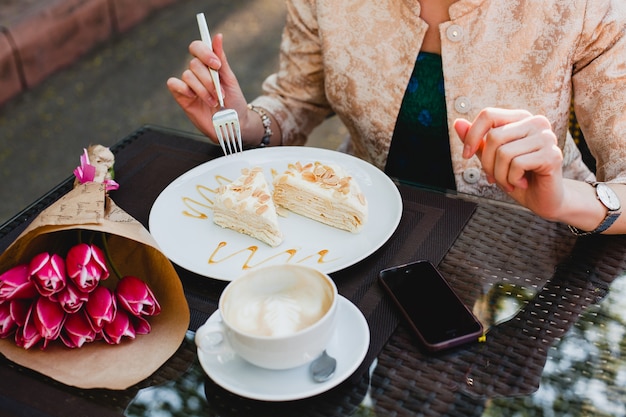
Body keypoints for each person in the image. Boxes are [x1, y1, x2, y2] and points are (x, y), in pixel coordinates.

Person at [167, 0, 626, 235]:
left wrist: (563, 199)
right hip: (356, 236)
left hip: (530, 267)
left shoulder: (586, 9)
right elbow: (296, 100)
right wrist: (244, 124)